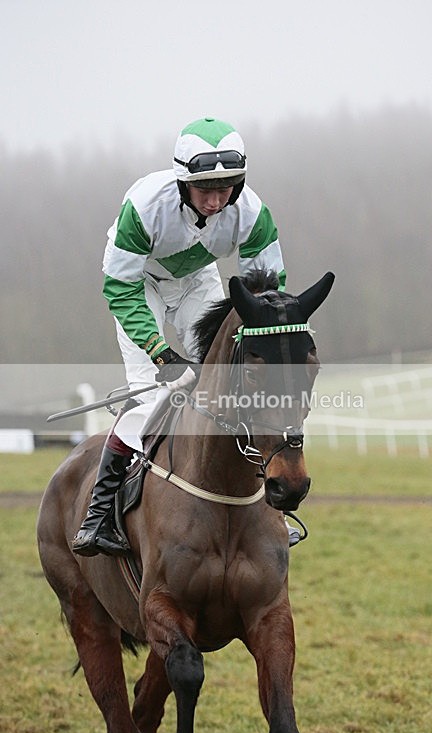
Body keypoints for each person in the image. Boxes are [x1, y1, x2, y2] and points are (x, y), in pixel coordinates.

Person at [72, 116, 296, 558]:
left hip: (197, 283)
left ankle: (268, 510)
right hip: (140, 287)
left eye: (226, 189)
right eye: (205, 191)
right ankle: (98, 514)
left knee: (230, 385)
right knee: (155, 397)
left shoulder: (252, 212)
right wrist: (160, 353)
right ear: (181, 184)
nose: (216, 201)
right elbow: (120, 287)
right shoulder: (144, 206)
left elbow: (265, 288)